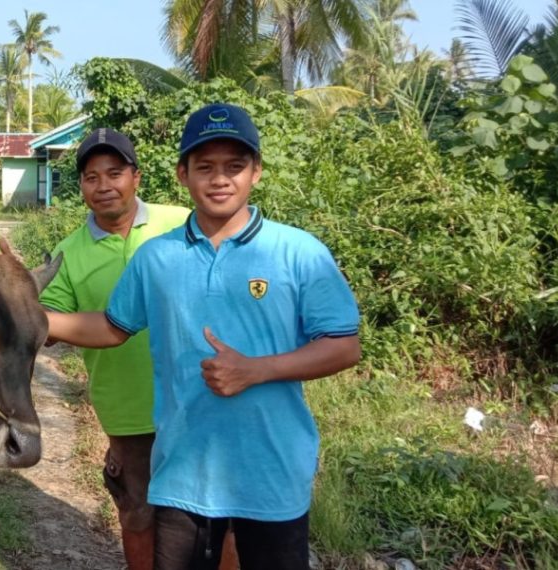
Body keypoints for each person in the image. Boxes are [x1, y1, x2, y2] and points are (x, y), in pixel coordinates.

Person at [45, 103, 362, 570]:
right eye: (205, 167)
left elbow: (344, 345)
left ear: (256, 172)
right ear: (182, 174)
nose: (220, 179)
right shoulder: (157, 258)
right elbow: (113, 327)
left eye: (234, 166)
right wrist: (26, 317)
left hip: (271, 472)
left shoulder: (299, 252)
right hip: (183, 472)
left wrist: (256, 370)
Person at [39, 128, 189, 570]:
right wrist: (19, 295)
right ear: (81, 187)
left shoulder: (182, 223)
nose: (103, 185)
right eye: (91, 176)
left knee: (219, 515)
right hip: (127, 409)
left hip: (200, 400)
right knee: (138, 512)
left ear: (136, 177)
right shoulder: (67, 254)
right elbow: (49, 329)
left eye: (114, 172)